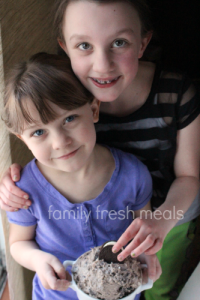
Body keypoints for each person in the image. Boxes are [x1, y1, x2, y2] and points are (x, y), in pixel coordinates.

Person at [0, 0, 199, 299]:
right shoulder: (69, 97)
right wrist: (12, 178)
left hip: (174, 211)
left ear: (143, 42)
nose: (103, 64)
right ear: (65, 48)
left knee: (163, 288)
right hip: (115, 226)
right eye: (84, 45)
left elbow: (189, 177)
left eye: (119, 42)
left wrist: (162, 220)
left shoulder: (176, 93)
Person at [2, 52, 156, 300]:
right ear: (23, 139)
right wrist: (39, 260)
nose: (60, 142)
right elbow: (19, 244)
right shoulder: (24, 190)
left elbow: (145, 230)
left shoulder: (133, 175)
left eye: (69, 119)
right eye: (39, 132)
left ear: (94, 109)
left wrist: (148, 252)